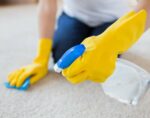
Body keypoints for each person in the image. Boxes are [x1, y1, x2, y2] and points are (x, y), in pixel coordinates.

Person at [7, 0, 150, 87]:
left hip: (112, 20)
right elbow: (46, 4)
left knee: (101, 59)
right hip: (74, 16)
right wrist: (41, 58)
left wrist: (111, 42)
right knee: (62, 57)